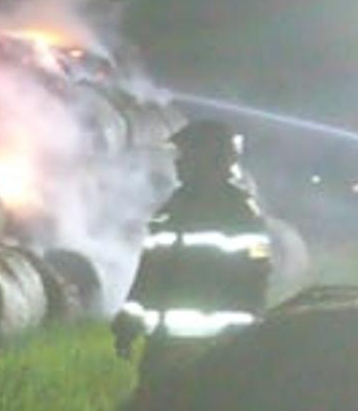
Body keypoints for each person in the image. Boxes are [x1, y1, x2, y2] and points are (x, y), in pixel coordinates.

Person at [114, 120, 273, 384]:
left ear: (212, 158)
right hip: (162, 343)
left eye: (187, 154)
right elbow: (149, 270)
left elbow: (256, 277)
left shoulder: (239, 211)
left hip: (213, 349)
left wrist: (240, 340)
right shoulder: (172, 207)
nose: (178, 162)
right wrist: (128, 321)